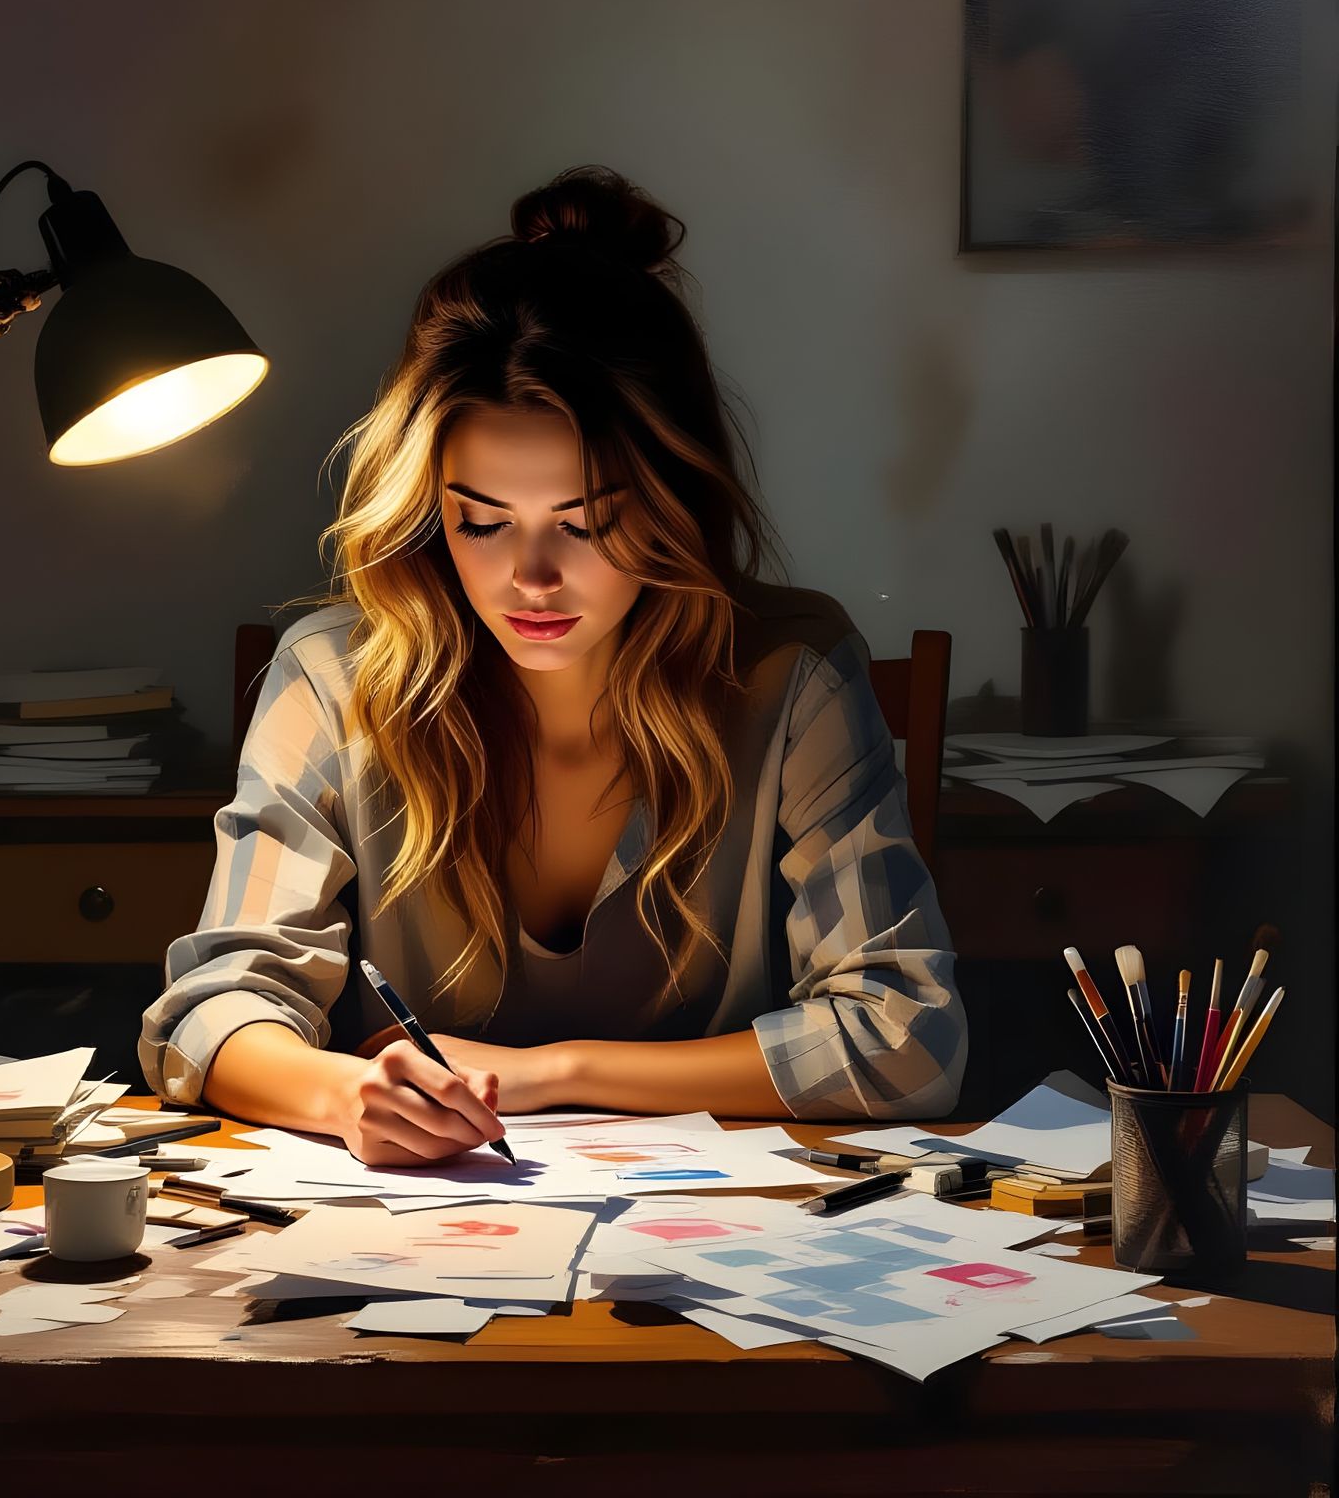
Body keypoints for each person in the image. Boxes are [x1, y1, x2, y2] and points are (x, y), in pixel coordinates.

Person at [139, 165, 966, 1166]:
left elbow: (908, 1036)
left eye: (587, 523)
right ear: (429, 505)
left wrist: (552, 1071)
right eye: (480, 521)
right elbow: (214, 1010)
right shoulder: (331, 681)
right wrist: (349, 1094)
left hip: (709, 1258)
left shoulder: (791, 678)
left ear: (673, 503)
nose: (530, 577)